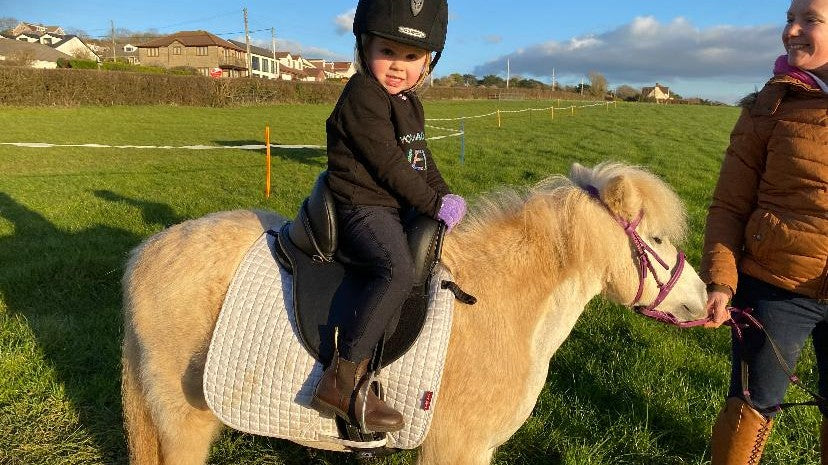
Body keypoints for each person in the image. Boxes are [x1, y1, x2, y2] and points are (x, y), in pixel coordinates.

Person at [310, 0, 466, 433]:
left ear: (428, 61)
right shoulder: (363, 95)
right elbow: (389, 165)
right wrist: (433, 205)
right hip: (362, 205)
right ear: (365, 47)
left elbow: (419, 158)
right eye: (387, 52)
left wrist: (445, 193)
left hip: (390, 203)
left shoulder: (409, 103)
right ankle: (341, 379)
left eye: (411, 57)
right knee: (396, 269)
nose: (398, 66)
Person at [701, 0, 828, 463]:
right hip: (775, 290)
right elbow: (729, 204)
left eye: (809, 20)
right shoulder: (766, 109)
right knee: (752, 406)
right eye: (788, 19)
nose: (791, 30)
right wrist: (721, 279)